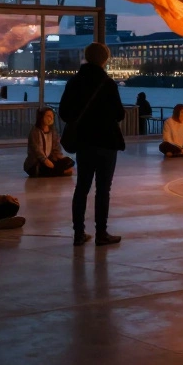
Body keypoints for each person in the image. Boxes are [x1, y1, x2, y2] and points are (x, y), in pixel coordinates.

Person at [59, 43, 126, 247]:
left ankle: (78, 233)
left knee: (82, 188)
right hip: (106, 142)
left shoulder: (74, 82)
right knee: (103, 189)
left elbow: (64, 112)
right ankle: (101, 233)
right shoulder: (107, 83)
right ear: (105, 59)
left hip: (84, 142)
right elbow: (119, 114)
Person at [24, 107, 75, 177]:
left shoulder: (53, 131)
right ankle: (62, 172)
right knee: (44, 168)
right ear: (41, 117)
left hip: (50, 159)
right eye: (48, 116)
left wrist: (60, 158)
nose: (51, 118)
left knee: (70, 161)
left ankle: (58, 171)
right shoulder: (35, 131)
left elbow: (56, 148)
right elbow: (36, 150)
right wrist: (45, 161)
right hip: (36, 163)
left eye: (52, 116)